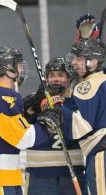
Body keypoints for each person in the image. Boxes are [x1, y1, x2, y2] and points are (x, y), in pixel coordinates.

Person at [37, 38, 106, 195]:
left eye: (79, 58)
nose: (74, 62)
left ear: (93, 62)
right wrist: (64, 104)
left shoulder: (86, 85)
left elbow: (79, 128)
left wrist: (58, 110)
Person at [0, 46, 51, 195]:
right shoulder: (2, 97)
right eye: (18, 64)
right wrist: (47, 125)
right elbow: (22, 138)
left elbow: (0, 128)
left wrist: (28, 112)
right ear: (8, 67)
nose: (21, 68)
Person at [23, 57, 85, 195]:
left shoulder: (79, 101)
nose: (55, 79)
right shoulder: (34, 100)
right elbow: (18, 128)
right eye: (51, 75)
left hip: (71, 174)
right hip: (39, 175)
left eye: (61, 75)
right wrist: (29, 109)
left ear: (69, 78)